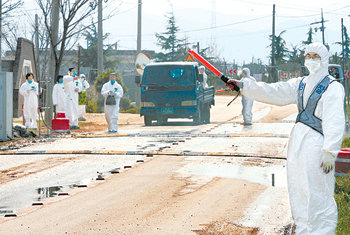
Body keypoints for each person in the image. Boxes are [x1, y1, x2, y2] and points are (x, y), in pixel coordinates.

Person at [228, 42, 344, 234]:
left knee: (318, 192)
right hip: (298, 145)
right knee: (299, 190)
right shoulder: (301, 84)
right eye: (308, 56)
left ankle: (322, 231)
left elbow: (335, 121)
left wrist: (330, 151)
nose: (311, 60)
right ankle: (303, 230)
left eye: (316, 56)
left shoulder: (333, 87)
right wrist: (243, 86)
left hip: (318, 148)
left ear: (324, 59)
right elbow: (274, 91)